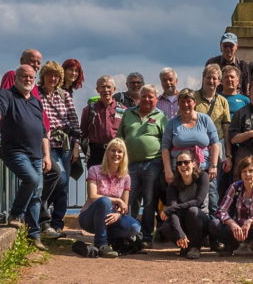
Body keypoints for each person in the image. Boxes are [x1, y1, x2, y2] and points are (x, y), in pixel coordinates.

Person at [0, 64, 52, 250]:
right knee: (31, 179)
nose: (28, 79)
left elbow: (43, 132)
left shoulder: (36, 102)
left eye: (31, 77)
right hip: (15, 151)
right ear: (16, 78)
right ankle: (16, 214)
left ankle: (34, 235)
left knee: (36, 196)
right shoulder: (7, 95)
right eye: (24, 76)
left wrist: (47, 155)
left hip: (36, 154)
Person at [36, 60, 82, 238]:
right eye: (49, 74)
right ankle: (44, 219)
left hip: (65, 145)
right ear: (43, 75)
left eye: (56, 76)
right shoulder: (37, 94)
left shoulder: (64, 95)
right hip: (46, 144)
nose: (53, 78)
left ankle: (57, 224)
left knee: (63, 186)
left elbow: (74, 121)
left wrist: (77, 145)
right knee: (59, 177)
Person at [116, 84, 166, 244]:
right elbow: (120, 138)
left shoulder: (161, 116)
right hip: (130, 164)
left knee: (150, 201)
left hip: (154, 163)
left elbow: (166, 142)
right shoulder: (128, 113)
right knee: (128, 199)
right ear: (139, 97)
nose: (146, 99)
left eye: (150, 96)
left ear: (156, 99)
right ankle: (127, 234)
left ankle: (145, 236)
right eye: (144, 96)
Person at [78, 138, 141, 258]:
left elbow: (124, 206)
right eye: (113, 150)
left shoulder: (126, 177)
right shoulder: (94, 170)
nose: (116, 154)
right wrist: (117, 200)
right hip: (89, 218)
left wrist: (118, 214)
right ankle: (101, 244)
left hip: (111, 217)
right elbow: (92, 196)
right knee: (104, 201)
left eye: (120, 151)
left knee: (135, 227)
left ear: (124, 155)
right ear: (107, 152)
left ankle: (109, 238)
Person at [161, 89, 221, 202]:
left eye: (188, 101)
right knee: (179, 200)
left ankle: (212, 219)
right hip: (180, 170)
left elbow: (215, 143)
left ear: (195, 102)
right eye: (182, 101)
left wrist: (213, 166)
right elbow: (165, 148)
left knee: (211, 201)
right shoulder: (172, 123)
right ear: (178, 103)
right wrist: (168, 170)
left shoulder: (205, 119)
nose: (186, 105)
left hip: (203, 169)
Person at [215, 155, 253, 256]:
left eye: (251, 171)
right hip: (237, 229)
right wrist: (232, 223)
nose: (247, 174)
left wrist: (250, 221)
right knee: (215, 224)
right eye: (244, 171)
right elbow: (221, 210)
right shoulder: (234, 187)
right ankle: (231, 245)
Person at [158, 149, 214, 260]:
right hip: (182, 219)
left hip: (200, 219)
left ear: (194, 163)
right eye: (179, 163)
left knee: (192, 210)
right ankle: (185, 244)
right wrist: (180, 233)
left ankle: (195, 247)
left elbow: (198, 202)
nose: (183, 165)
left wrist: (170, 209)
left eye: (186, 162)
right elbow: (173, 211)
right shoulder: (173, 185)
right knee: (165, 227)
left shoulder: (203, 177)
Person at [196, 64, 233, 199]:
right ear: (203, 78)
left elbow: (226, 129)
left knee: (215, 184)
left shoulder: (223, 101)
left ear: (219, 81)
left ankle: (213, 215)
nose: (211, 81)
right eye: (208, 77)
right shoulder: (193, 98)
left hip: (218, 146)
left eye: (214, 78)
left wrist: (228, 155)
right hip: (198, 147)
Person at [81, 76, 127, 167]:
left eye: (108, 87)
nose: (106, 90)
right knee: (95, 180)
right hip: (95, 154)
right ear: (97, 89)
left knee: (116, 181)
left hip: (116, 153)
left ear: (114, 89)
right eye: (102, 87)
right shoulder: (89, 110)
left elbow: (127, 133)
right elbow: (83, 133)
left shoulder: (123, 110)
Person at [206, 32, 252, 96]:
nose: (228, 49)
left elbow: (247, 90)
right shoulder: (212, 63)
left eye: (231, 46)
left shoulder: (243, 66)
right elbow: (205, 86)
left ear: (236, 47)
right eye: (225, 46)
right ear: (220, 46)